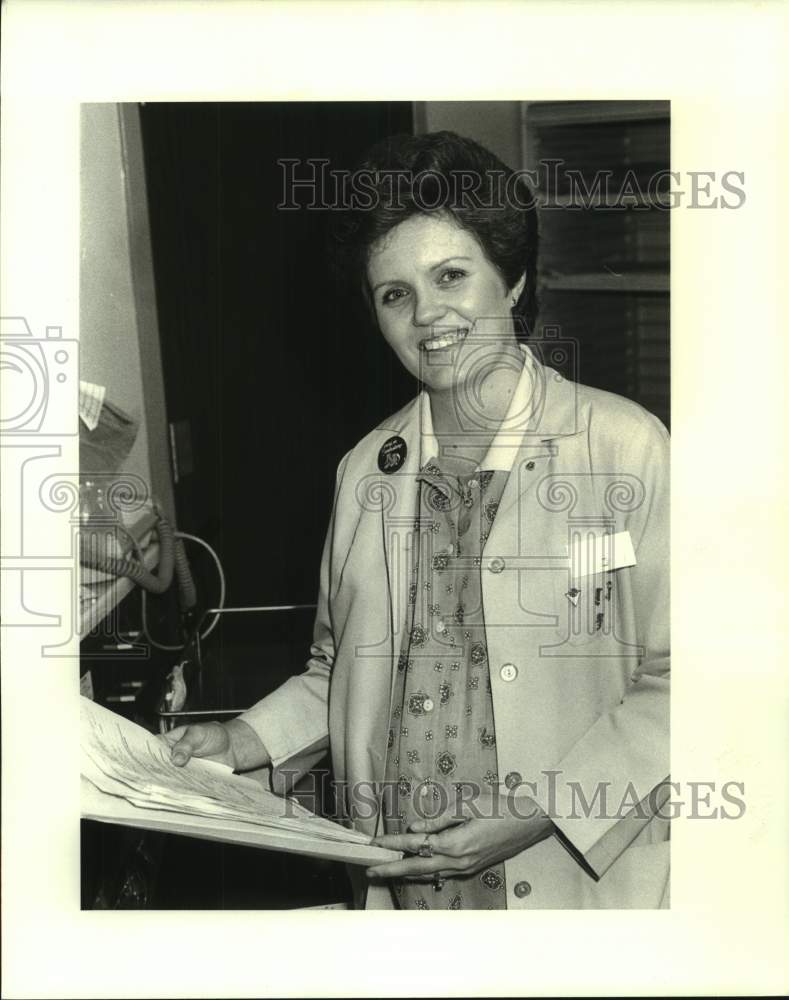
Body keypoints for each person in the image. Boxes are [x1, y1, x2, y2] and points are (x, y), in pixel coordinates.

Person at [165, 131, 670, 910]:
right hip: (410, 892)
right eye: (394, 293)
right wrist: (240, 741)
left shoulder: (621, 446)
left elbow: (684, 679)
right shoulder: (367, 468)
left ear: (512, 281)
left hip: (571, 884)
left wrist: (538, 813)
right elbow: (341, 672)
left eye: (451, 276)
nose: (427, 315)